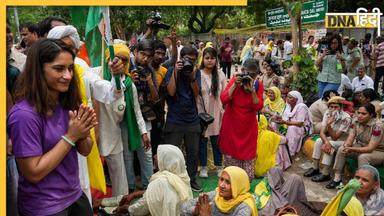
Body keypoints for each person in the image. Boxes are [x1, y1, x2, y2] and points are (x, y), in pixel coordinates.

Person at [7, 39, 97, 215]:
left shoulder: (67, 102)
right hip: (45, 207)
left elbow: (85, 150)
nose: (68, 76)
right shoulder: (23, 115)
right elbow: (33, 172)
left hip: (75, 197)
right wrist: (71, 137)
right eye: (59, 69)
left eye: (70, 68)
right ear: (39, 70)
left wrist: (84, 133)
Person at [113, 145, 193, 216]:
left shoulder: (160, 181)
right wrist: (135, 194)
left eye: (159, 156)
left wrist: (126, 209)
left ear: (167, 161)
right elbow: (163, 193)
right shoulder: (182, 176)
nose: (155, 156)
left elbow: (141, 208)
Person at [164, 46, 202, 192]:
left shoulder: (195, 72)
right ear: (182, 58)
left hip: (192, 119)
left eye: (193, 59)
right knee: (172, 153)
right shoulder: (171, 70)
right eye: (188, 59)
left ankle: (191, 179)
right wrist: (175, 71)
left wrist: (192, 78)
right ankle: (171, 181)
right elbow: (171, 92)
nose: (190, 62)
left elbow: (196, 94)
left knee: (193, 153)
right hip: (175, 119)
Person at [219, 59, 264, 180]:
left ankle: (245, 192)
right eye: (247, 73)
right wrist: (234, 84)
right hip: (231, 126)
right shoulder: (235, 81)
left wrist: (253, 91)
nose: (250, 76)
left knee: (248, 175)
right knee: (232, 173)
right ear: (243, 70)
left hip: (248, 129)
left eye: (253, 74)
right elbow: (223, 99)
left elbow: (258, 106)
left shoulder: (258, 85)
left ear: (257, 74)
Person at [328, 103, 384, 189]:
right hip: (361, 146)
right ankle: (337, 179)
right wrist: (347, 146)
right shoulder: (356, 121)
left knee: (363, 157)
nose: (360, 116)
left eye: (364, 114)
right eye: (359, 112)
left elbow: (370, 148)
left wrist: (351, 148)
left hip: (378, 151)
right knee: (342, 149)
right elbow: (350, 138)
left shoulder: (377, 126)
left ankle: (360, 186)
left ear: (371, 115)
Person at [304, 96, 352, 183]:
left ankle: (325, 173)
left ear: (341, 107)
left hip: (344, 141)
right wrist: (326, 142)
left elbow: (335, 137)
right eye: (331, 107)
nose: (333, 109)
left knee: (331, 143)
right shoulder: (327, 113)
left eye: (336, 107)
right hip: (332, 139)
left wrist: (329, 126)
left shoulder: (346, 118)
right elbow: (322, 132)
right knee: (319, 141)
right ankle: (315, 168)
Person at [182, 166, 258, 216]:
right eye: (221, 179)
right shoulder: (218, 194)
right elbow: (184, 207)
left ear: (238, 186)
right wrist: (195, 211)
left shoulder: (244, 207)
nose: (221, 185)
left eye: (228, 182)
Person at [198, 47, 227, 178]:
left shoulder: (220, 74)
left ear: (216, 60)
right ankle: (203, 167)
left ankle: (219, 166)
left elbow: (225, 93)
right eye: (207, 58)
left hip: (216, 111)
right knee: (202, 140)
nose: (209, 61)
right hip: (202, 111)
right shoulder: (198, 74)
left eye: (212, 58)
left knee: (216, 140)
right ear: (203, 59)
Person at [274, 91, 313, 156]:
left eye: (290, 98)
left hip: (301, 127)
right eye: (288, 97)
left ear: (296, 99)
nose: (288, 99)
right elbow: (286, 116)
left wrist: (285, 122)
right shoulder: (288, 106)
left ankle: (290, 151)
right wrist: (279, 117)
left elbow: (300, 123)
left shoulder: (301, 107)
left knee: (292, 128)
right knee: (274, 124)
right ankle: (278, 146)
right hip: (289, 123)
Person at [316, 34, 346, 98]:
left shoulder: (341, 54)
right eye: (331, 43)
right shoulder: (324, 51)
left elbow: (340, 70)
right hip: (321, 79)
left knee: (325, 97)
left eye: (335, 43)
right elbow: (317, 64)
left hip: (333, 81)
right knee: (320, 99)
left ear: (339, 43)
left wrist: (340, 60)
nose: (333, 45)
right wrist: (323, 55)